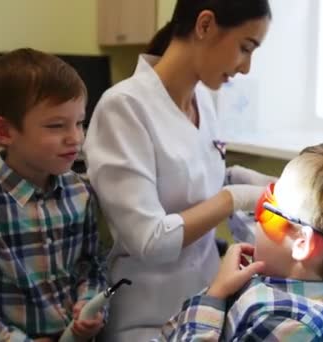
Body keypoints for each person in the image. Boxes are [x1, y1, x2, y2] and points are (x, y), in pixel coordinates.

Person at [82, 0, 274, 340]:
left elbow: (192, 183)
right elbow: (152, 240)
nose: (246, 68)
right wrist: (236, 197)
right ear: (204, 25)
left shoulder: (204, 104)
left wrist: (253, 181)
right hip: (147, 318)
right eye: (245, 48)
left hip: (206, 305)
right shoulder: (124, 107)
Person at [155, 143, 323, 341]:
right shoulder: (283, 287)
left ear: (302, 245)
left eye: (266, 208)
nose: (255, 218)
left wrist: (214, 295)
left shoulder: (293, 326)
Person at [0, 48, 107, 341]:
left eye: (79, 122)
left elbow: (90, 265)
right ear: (3, 130)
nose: (75, 137)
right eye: (55, 125)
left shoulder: (81, 192)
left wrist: (91, 304)